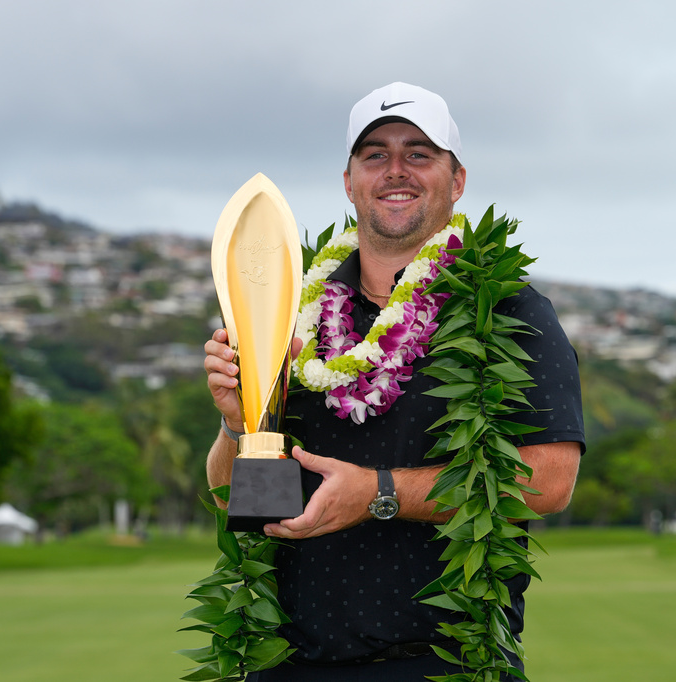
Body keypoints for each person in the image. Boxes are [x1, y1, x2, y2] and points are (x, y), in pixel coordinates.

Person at [204, 82, 585, 681]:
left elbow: (550, 481)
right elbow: (235, 498)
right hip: (288, 662)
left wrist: (380, 493)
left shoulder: (508, 310)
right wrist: (239, 422)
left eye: (419, 153)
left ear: (457, 181)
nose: (395, 170)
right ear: (350, 180)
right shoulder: (289, 310)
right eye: (375, 154)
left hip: (439, 665)